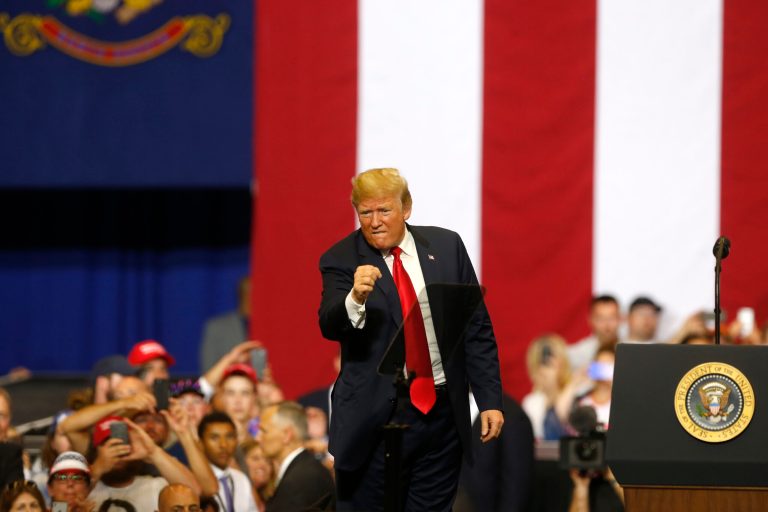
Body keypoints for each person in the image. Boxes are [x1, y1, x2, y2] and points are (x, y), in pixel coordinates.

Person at [318, 168, 504, 511]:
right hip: (373, 420)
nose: (374, 222)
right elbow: (329, 324)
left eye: (384, 210)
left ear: (406, 208)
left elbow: (475, 328)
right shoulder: (341, 259)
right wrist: (354, 298)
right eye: (365, 212)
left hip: (441, 415)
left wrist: (489, 398)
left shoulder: (447, 247)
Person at [257, 402, 335, 512]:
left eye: (263, 431)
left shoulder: (298, 480)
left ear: (287, 435)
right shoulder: (307, 469)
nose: (258, 438)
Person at [522, 334, 583, 441]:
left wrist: (570, 385)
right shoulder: (532, 403)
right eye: (542, 361)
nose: (545, 368)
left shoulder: (578, 394)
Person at [198, 412, 257, 512]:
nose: (223, 445)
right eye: (214, 438)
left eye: (229, 437)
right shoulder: (195, 480)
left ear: (237, 440)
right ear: (200, 443)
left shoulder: (241, 479)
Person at [200, 277, 251, 373]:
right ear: (240, 294)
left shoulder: (270, 328)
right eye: (247, 291)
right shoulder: (217, 327)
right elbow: (208, 368)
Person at [568, 295, 621, 373]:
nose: (607, 325)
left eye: (611, 318)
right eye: (600, 319)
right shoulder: (578, 354)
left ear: (620, 318)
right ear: (590, 320)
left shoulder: (632, 351)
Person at [240, 439, 274, 511]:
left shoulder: (275, 499)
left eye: (268, 461)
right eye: (255, 459)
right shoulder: (232, 496)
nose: (263, 465)